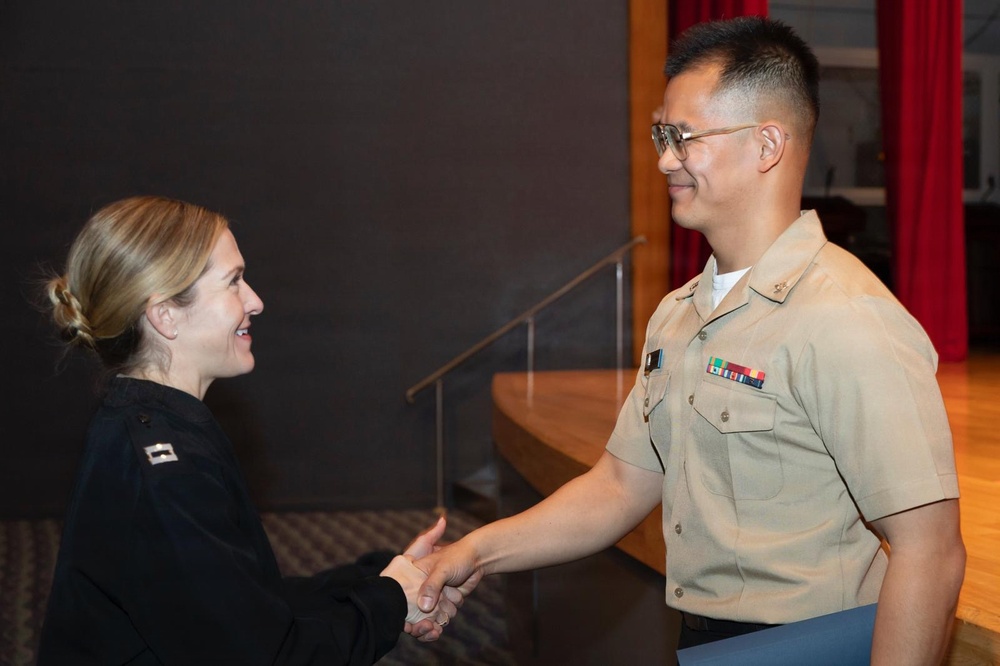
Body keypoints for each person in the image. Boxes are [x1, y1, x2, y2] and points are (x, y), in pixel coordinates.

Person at [412, 16, 966, 665]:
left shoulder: (846, 317)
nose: (664, 159)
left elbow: (930, 551)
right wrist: (475, 552)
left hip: (808, 647)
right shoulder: (680, 315)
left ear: (767, 144)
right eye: (662, 135)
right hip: (706, 644)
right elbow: (620, 485)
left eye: (684, 137)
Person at [37, 195, 462, 665]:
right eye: (233, 281)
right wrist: (392, 598)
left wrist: (380, 579)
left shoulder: (148, 424)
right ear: (165, 314)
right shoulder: (167, 476)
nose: (255, 301)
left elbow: (245, 606)